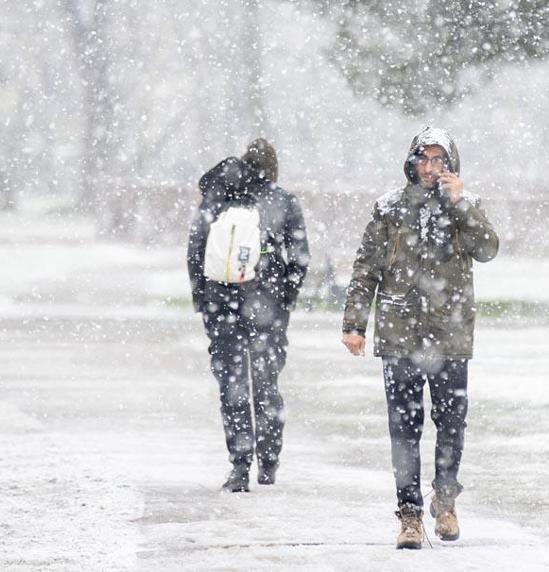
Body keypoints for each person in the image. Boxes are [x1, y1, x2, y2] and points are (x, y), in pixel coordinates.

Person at [341, 127, 499, 549]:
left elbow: (487, 249)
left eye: (438, 160)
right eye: (424, 159)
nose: (430, 168)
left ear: (451, 164)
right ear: (412, 161)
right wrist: (354, 324)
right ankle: (409, 514)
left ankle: (445, 501)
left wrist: (461, 204)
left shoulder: (466, 205)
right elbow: (366, 268)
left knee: (451, 423)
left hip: (450, 337)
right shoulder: (389, 208)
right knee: (403, 429)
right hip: (400, 336)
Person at [187, 139, 310, 492]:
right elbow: (300, 257)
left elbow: (195, 250)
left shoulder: (218, 197)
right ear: (273, 169)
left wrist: (203, 298)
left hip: (221, 303)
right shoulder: (283, 201)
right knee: (266, 383)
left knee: (233, 385)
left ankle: (239, 466)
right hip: (266, 306)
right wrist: (285, 298)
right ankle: (268, 460)